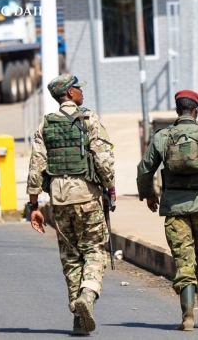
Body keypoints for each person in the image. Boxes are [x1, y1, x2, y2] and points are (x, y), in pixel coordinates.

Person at [136, 90, 198, 331]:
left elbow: (144, 169)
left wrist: (149, 194)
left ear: (177, 111)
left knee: (184, 261)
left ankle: (186, 317)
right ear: (196, 111)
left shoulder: (163, 137)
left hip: (174, 208)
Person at [27, 74, 116, 337]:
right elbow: (103, 159)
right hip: (86, 195)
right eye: (78, 88)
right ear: (69, 93)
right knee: (95, 251)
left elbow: (36, 167)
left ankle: (77, 319)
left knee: (70, 257)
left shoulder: (46, 124)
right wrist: (109, 188)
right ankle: (87, 295)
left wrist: (33, 205)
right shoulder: (89, 119)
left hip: (59, 200)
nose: (81, 92)